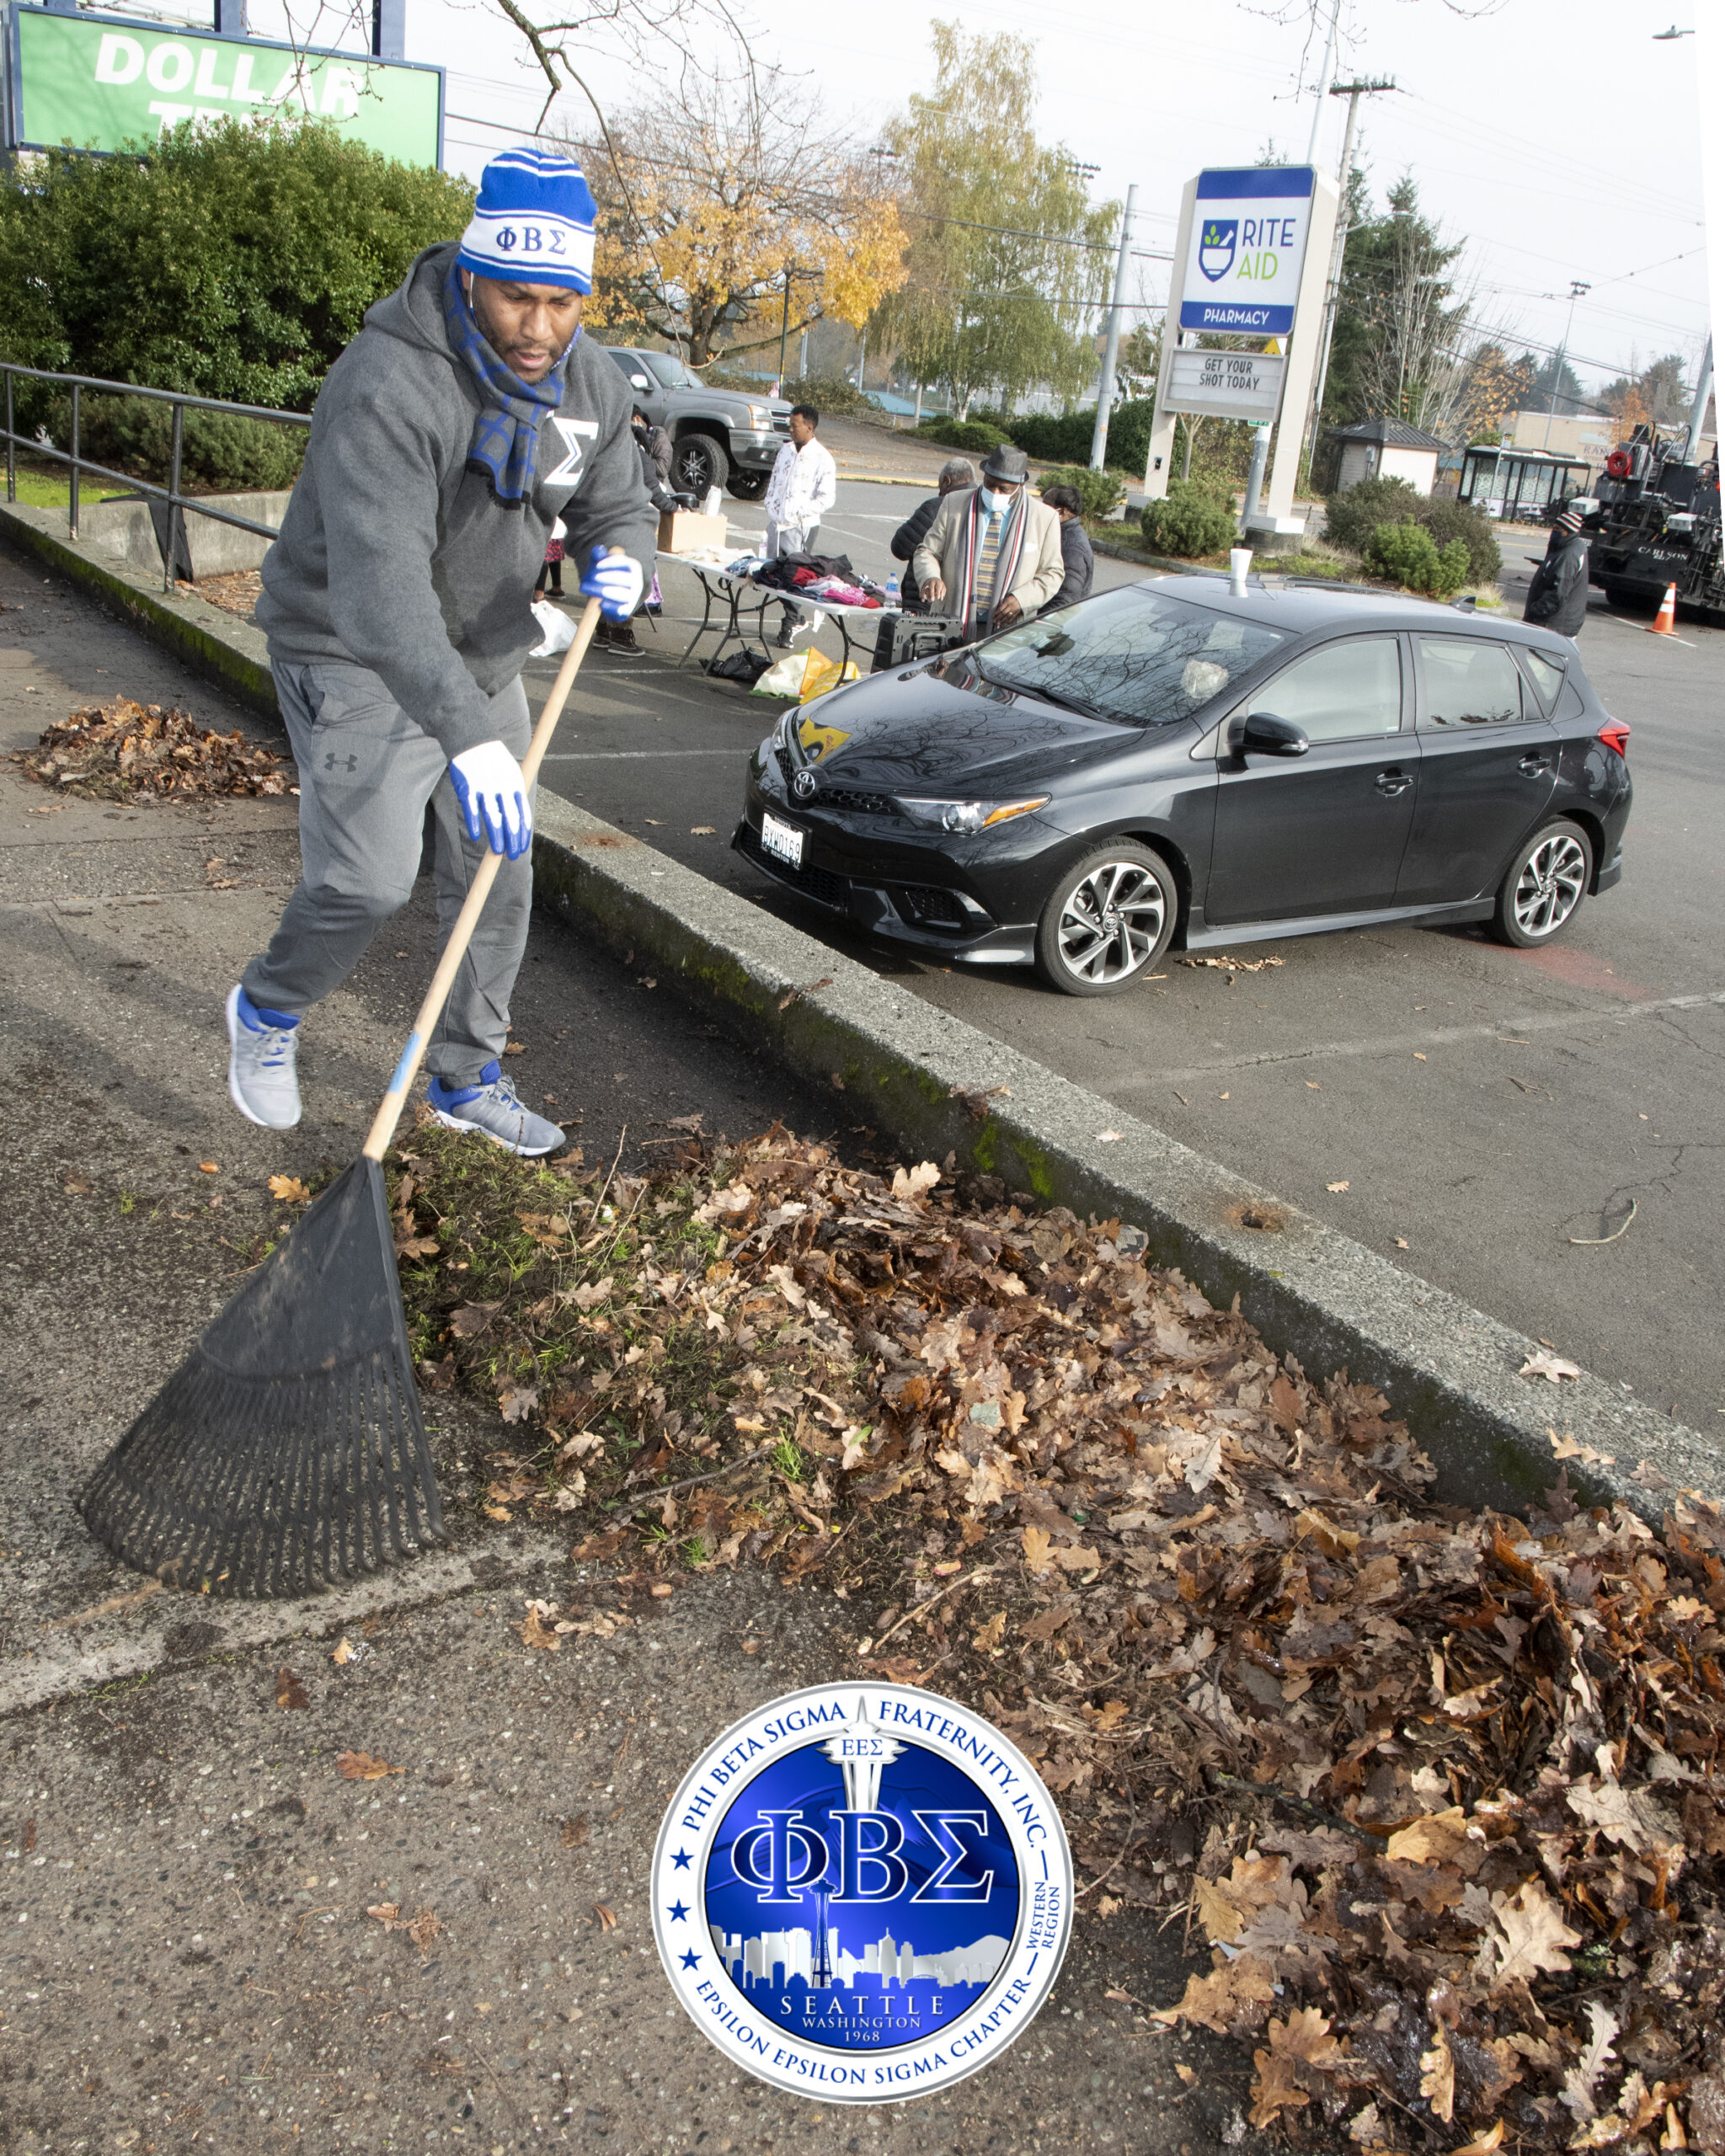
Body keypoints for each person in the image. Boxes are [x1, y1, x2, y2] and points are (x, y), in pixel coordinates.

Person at [231, 145, 655, 1154]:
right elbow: (379, 594)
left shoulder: (582, 374)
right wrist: (467, 740)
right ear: (471, 273)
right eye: (518, 299)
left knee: (496, 870)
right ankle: (266, 1007)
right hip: (350, 646)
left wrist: (625, 559)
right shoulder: (391, 382)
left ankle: (465, 1079)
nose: (541, 330)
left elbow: (618, 499)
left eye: (564, 302)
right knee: (367, 880)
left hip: (481, 651)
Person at [911, 445, 1065, 638]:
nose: (995, 492)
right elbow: (927, 552)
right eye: (990, 484)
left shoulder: (1044, 517)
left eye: (1004, 489)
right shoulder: (955, 503)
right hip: (952, 621)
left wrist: (1021, 600)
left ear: (1019, 486)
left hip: (1008, 630)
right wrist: (930, 576)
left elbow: (1053, 573)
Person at [762, 403, 837, 647]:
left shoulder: (822, 458)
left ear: (809, 427)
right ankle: (794, 616)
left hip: (802, 525)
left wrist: (799, 512)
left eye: (795, 426)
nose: (791, 430)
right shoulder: (785, 451)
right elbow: (774, 482)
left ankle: (791, 622)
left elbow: (827, 497)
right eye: (790, 425)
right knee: (772, 572)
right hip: (777, 522)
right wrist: (772, 507)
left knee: (793, 574)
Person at [890, 457, 975, 611]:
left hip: (926, 601)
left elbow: (900, 547)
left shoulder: (936, 507)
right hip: (965, 605)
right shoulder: (981, 507)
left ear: (946, 481)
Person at [1523, 501, 1590, 640]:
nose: (1553, 532)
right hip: (1556, 623)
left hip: (1554, 625)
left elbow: (1558, 593)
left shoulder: (1568, 555)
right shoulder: (1565, 548)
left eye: (1557, 529)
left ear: (1567, 531)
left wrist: (1536, 611)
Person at [1040, 483, 1094, 611]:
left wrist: (1038, 627)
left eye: (1046, 506)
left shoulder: (1072, 547)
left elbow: (1065, 600)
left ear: (1062, 512)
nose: (1041, 511)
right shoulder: (1057, 533)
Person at [533, 516, 564, 599]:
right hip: (558, 526)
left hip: (547, 527)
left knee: (544, 556)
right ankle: (556, 588)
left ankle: (538, 592)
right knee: (553, 555)